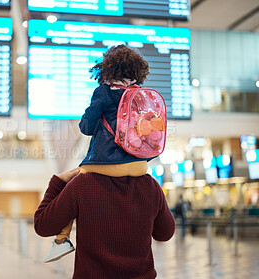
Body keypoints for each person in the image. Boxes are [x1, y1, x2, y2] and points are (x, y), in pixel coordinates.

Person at [42, 44, 157, 263]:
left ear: (108, 69)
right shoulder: (141, 95)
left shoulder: (103, 92)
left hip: (105, 163)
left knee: (72, 181)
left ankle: (61, 240)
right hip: (140, 164)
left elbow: (85, 127)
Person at [35, 168, 175, 278]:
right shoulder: (150, 185)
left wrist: (57, 183)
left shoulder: (82, 184)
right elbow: (165, 233)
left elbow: (42, 225)